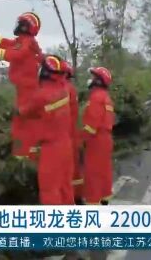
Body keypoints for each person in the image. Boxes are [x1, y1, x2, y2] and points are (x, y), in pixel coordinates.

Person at [0, 12, 43, 161]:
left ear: (25, 26)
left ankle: (26, 160)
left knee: (24, 128)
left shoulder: (28, 44)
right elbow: (3, 43)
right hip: (24, 91)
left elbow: (10, 55)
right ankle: (22, 158)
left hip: (29, 93)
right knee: (20, 127)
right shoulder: (22, 41)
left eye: (21, 23)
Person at [15, 55, 74, 204]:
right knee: (65, 186)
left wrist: (15, 110)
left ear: (44, 72)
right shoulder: (64, 91)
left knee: (50, 190)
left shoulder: (41, 96)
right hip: (66, 145)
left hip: (51, 150)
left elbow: (24, 112)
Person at [82, 66, 115, 205]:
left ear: (99, 81)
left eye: (94, 77)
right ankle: (105, 197)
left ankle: (93, 202)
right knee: (104, 170)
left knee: (93, 172)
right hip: (106, 138)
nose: (91, 80)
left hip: (96, 140)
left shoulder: (96, 98)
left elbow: (91, 125)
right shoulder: (106, 98)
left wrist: (81, 139)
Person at [60, 60, 83, 204]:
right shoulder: (71, 88)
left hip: (64, 136)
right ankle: (78, 197)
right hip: (73, 134)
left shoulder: (62, 89)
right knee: (75, 170)